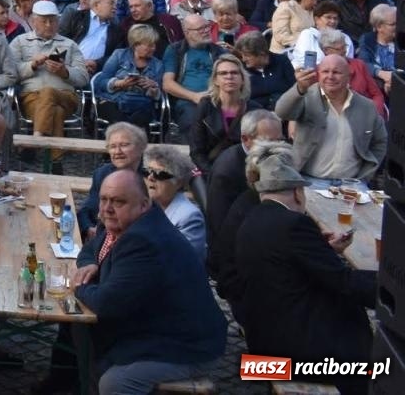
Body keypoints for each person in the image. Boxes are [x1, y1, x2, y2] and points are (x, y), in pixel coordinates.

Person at [233, 143, 378, 395]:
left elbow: (286, 262)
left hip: (263, 336)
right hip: (288, 356)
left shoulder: (252, 218)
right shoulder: (293, 224)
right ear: (299, 193)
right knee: (373, 362)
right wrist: (390, 288)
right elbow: (343, 282)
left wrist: (323, 251)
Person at [72, 169, 225, 394]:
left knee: (115, 382)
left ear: (144, 205)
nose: (107, 209)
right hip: (154, 327)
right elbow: (89, 250)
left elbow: (106, 304)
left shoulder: (143, 240)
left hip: (185, 345)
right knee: (80, 330)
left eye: (118, 201)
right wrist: (90, 265)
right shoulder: (122, 223)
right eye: (103, 199)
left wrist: (80, 284)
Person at [274, 52, 387, 183]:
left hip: (351, 185)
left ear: (349, 76)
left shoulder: (366, 107)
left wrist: (366, 174)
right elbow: (282, 112)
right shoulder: (306, 96)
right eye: (325, 71)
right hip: (308, 180)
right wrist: (299, 88)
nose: (330, 76)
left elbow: (380, 141)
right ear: (318, 74)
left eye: (336, 72)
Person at [203, 108, 283, 282]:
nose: (276, 148)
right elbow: (221, 226)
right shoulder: (228, 171)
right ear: (246, 139)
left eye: (279, 141)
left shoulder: (265, 158)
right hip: (235, 260)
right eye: (268, 142)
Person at [11, 0, 90, 168]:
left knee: (49, 92)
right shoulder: (20, 42)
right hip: (32, 97)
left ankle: (35, 141)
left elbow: (83, 77)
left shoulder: (69, 44)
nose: (49, 25)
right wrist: (32, 65)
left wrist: (65, 72)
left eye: (53, 21)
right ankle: (56, 162)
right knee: (56, 112)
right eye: (44, 21)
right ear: (33, 21)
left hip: (66, 96)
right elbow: (10, 73)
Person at [90, 25, 163, 128]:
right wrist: (119, 83)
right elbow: (100, 82)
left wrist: (153, 88)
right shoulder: (119, 55)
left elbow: (159, 96)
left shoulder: (157, 65)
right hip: (113, 101)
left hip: (141, 105)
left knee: (140, 120)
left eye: (154, 45)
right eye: (150, 45)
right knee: (120, 121)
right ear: (136, 45)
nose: (154, 48)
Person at [188, 53, 250, 172]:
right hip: (211, 168)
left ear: (242, 79)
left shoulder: (253, 109)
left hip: (244, 171)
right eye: (223, 73)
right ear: (215, 80)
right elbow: (196, 151)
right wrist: (212, 173)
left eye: (234, 73)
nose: (229, 77)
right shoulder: (205, 106)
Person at [141, 145, 205, 259]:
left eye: (159, 174)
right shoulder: (142, 206)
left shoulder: (189, 216)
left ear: (179, 182)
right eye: (147, 172)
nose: (150, 177)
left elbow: (183, 260)